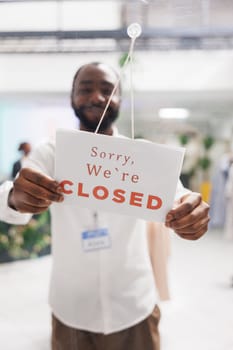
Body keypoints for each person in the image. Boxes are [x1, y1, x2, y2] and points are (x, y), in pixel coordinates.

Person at [0, 62, 210, 350]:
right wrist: (15, 197)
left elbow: (179, 196)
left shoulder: (142, 155)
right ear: (72, 97)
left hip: (135, 305)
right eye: (85, 90)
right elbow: (12, 198)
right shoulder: (50, 153)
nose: (96, 97)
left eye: (107, 90)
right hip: (71, 310)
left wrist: (191, 211)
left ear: (121, 100)